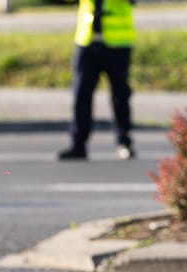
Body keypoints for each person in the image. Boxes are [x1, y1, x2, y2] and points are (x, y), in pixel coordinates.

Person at [58, 0, 136, 161]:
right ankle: (78, 144)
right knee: (81, 93)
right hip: (86, 40)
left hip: (118, 41)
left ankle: (124, 142)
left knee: (120, 94)